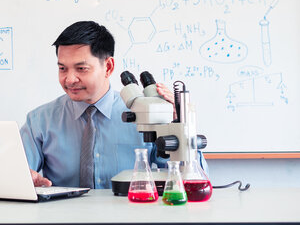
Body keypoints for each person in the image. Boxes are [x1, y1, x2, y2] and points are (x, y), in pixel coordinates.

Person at [20, 20, 208, 189]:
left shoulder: (145, 114)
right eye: (62, 68)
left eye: (81, 68)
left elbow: (193, 179)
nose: (69, 79)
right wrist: (24, 178)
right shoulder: (39, 121)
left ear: (108, 67)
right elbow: (17, 173)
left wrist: (178, 127)